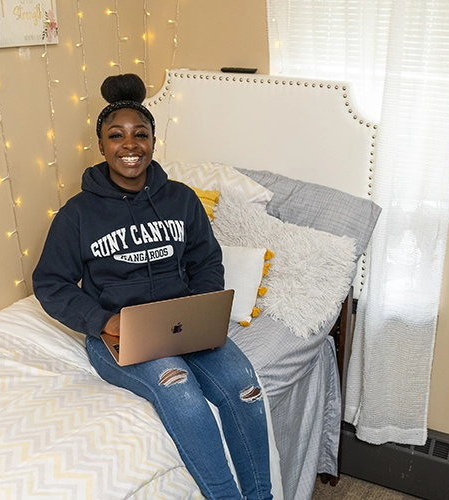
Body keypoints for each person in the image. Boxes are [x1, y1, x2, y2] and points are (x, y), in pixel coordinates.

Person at [32, 73, 273, 500]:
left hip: (184, 323)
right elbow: (50, 282)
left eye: (140, 134)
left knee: (246, 388)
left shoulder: (180, 199)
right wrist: (102, 320)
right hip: (119, 332)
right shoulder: (78, 214)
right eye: (116, 135)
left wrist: (200, 309)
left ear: (154, 141)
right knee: (179, 389)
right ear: (102, 145)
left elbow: (206, 260)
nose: (130, 145)